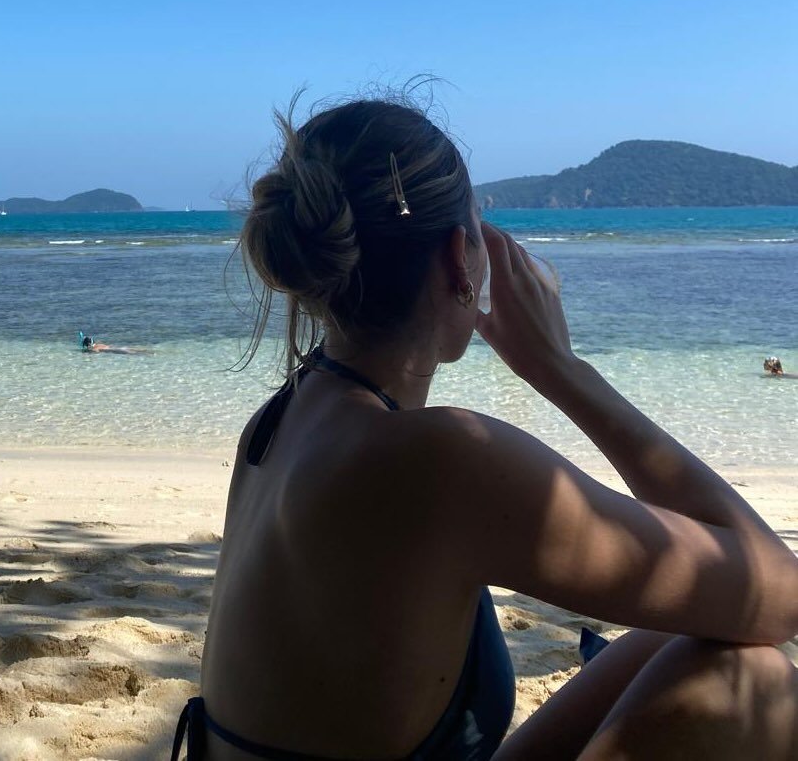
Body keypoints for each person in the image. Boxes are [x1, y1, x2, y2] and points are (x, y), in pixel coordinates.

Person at [172, 95, 798, 760]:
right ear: (458, 259)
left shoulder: (278, 422)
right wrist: (562, 371)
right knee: (748, 677)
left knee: (677, 633)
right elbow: (780, 594)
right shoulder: (439, 459)